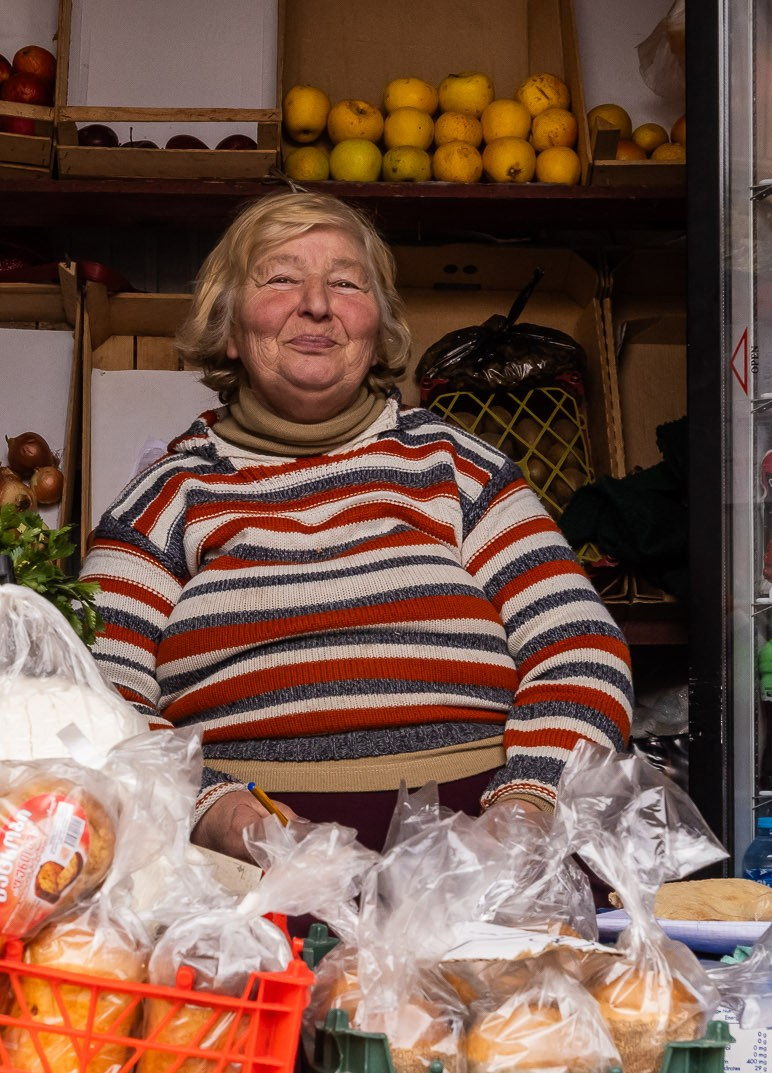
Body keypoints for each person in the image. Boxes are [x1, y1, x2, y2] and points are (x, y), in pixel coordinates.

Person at [84, 190, 633, 856]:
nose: (316, 303)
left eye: (345, 283)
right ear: (228, 328)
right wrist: (209, 809)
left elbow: (577, 646)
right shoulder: (166, 495)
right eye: (282, 278)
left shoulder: (459, 467)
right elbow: (99, 695)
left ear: (378, 332)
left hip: (482, 844)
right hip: (251, 861)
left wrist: (530, 801)